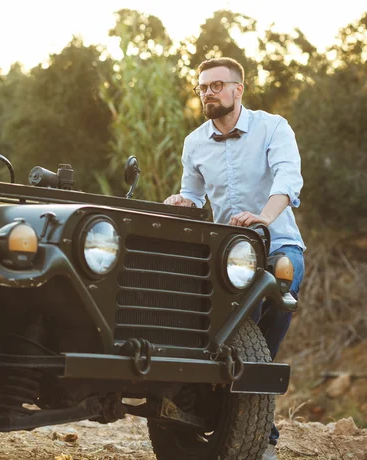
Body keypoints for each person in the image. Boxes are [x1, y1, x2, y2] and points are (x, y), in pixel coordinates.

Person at [164, 57, 305, 450]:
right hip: (228, 257)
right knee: (223, 331)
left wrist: (264, 217)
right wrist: (182, 202)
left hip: (277, 243)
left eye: (216, 85)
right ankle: (246, 426)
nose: (208, 93)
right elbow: (192, 195)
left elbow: (288, 178)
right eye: (202, 87)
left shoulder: (273, 127)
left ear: (238, 89)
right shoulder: (194, 142)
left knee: (280, 289)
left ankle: (255, 427)